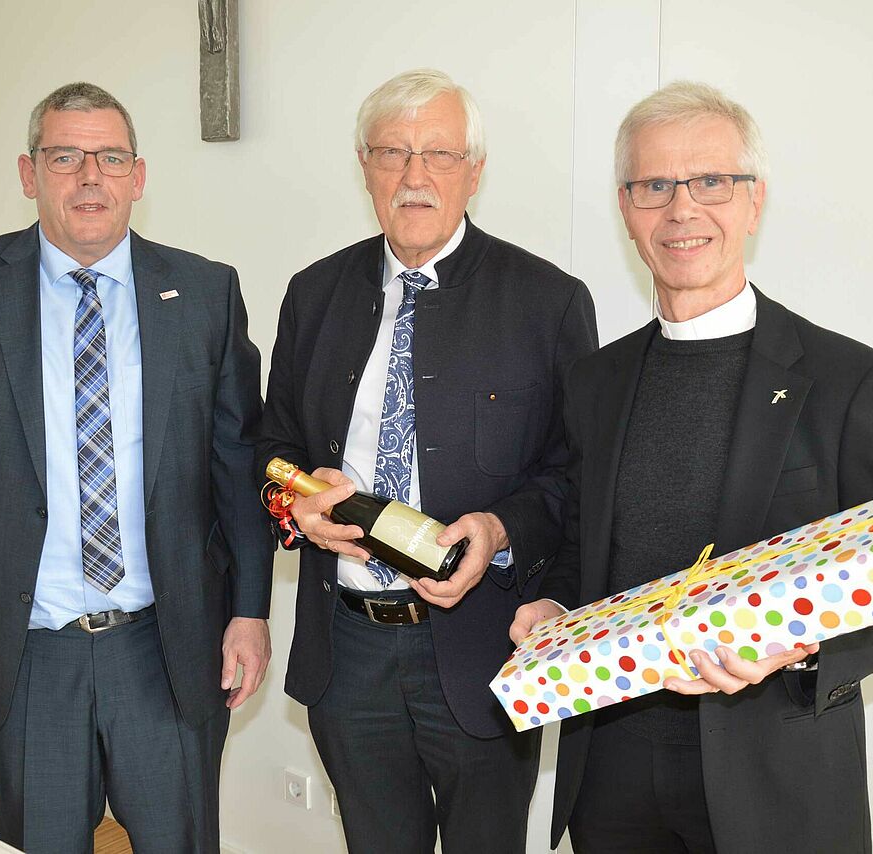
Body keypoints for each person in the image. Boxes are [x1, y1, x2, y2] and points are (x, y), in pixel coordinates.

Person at [511, 81, 873, 854]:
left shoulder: (848, 381)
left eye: (712, 181)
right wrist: (552, 606)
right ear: (627, 209)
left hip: (775, 776)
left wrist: (803, 646)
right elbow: (585, 546)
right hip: (611, 769)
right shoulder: (594, 383)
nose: (682, 209)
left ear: (754, 202)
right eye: (655, 186)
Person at [0, 82, 273, 853]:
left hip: (166, 647)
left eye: (110, 157)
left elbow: (237, 466)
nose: (90, 176)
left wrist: (250, 611)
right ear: (29, 173)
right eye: (65, 156)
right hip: (23, 656)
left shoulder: (205, 293)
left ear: (138, 175)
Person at [255, 69, 597, 853]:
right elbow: (271, 447)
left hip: (482, 650)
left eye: (439, 154)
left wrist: (500, 528)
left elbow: (575, 477)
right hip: (345, 656)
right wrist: (296, 508)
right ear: (364, 166)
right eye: (393, 153)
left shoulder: (549, 301)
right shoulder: (313, 294)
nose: (415, 176)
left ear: (474, 171)